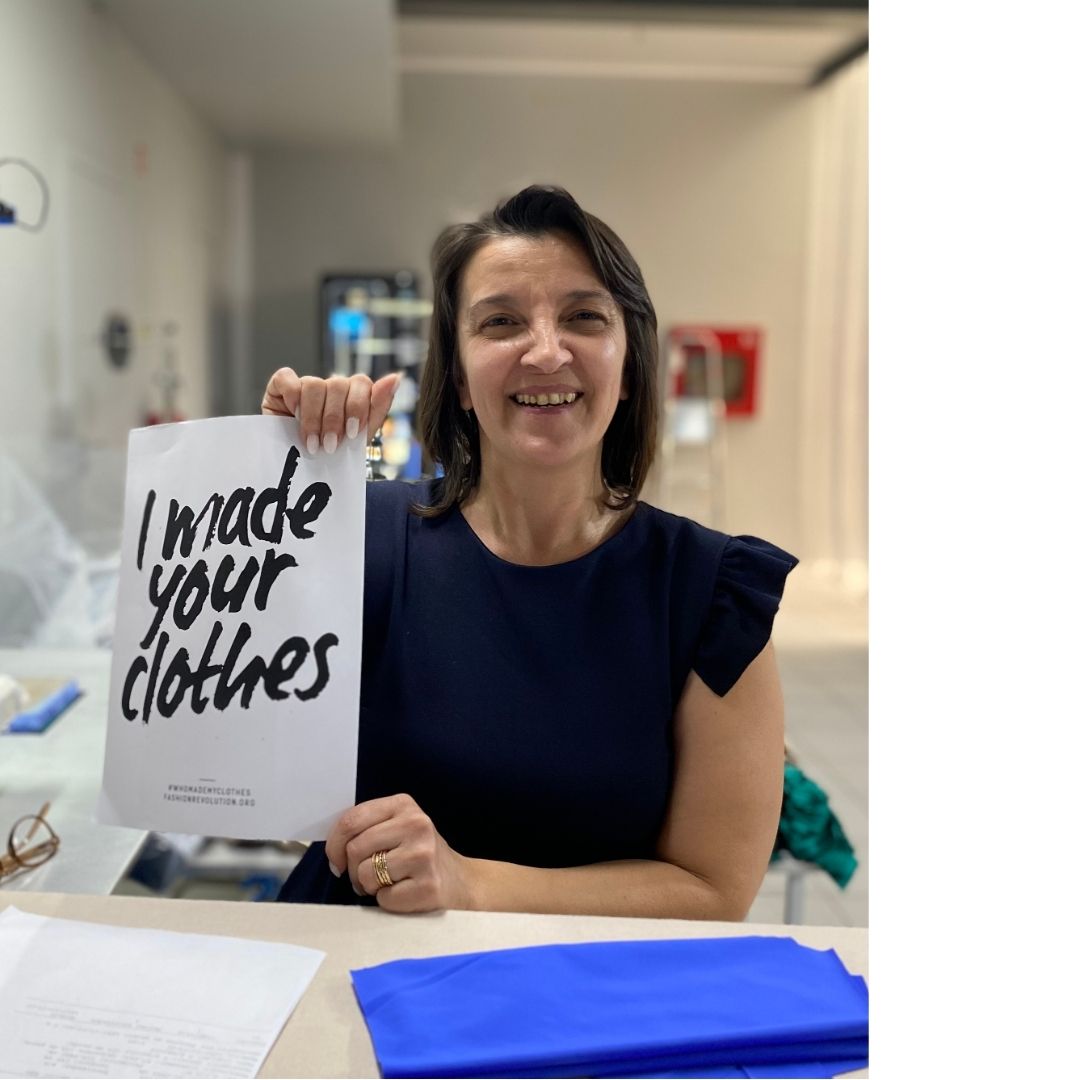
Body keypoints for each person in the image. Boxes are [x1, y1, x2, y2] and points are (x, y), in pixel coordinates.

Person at [262, 185, 797, 921]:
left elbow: (713, 889)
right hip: (356, 973)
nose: (546, 351)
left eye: (583, 316)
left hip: (587, 1004)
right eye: (502, 322)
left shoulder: (711, 595)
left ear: (630, 363)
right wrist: (264, 488)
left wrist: (468, 884)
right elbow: (243, 770)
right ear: (457, 376)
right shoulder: (355, 536)